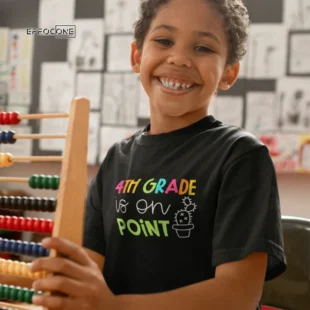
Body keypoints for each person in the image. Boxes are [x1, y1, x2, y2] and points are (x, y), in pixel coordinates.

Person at [29, 0, 287, 309]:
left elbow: (238, 296)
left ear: (228, 74)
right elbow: (89, 272)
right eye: (164, 41)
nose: (179, 58)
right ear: (137, 56)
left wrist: (113, 306)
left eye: (203, 48)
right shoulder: (116, 159)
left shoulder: (241, 156)